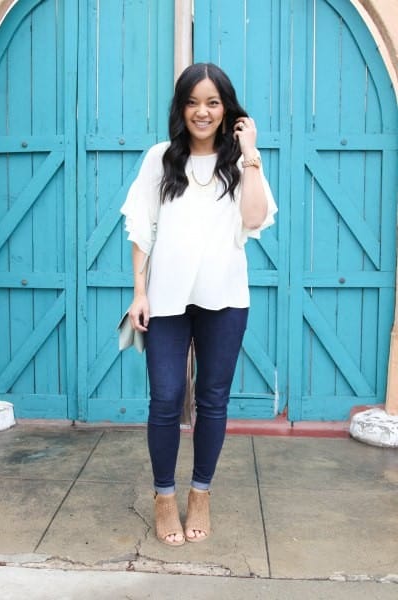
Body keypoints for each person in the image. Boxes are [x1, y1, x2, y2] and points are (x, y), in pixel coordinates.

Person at [120, 63, 277, 546]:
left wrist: (250, 154)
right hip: (165, 300)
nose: (202, 111)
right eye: (192, 102)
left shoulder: (242, 163)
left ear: (226, 108)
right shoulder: (160, 158)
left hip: (225, 299)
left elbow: (254, 219)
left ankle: (200, 493)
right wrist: (140, 292)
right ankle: (164, 496)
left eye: (212, 102)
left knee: (212, 401)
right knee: (166, 398)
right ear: (181, 108)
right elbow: (141, 226)